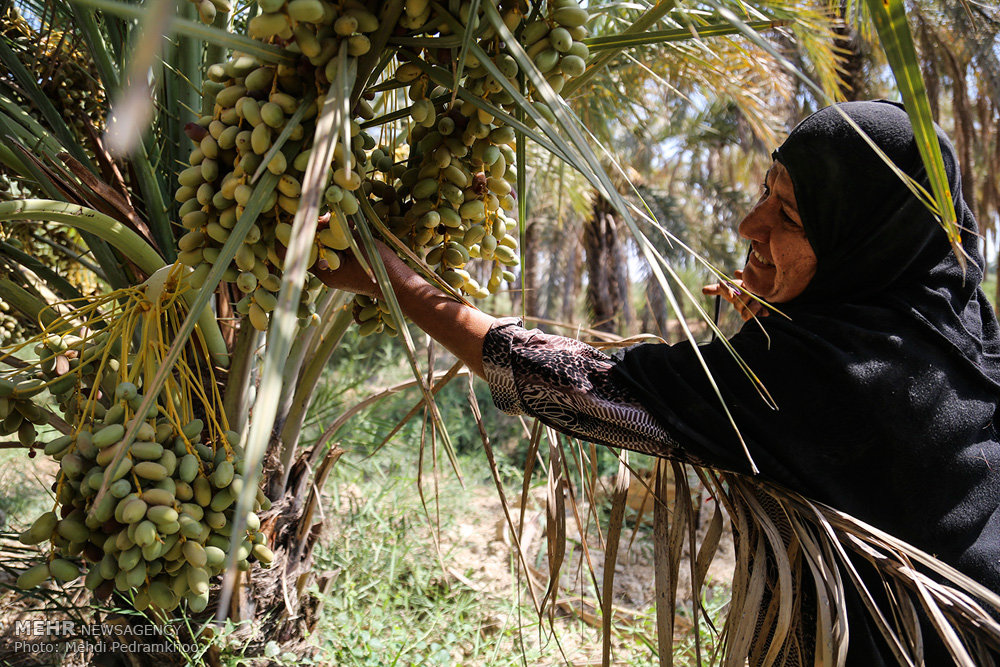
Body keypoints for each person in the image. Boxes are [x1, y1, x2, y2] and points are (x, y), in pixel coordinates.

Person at [313, 100, 1000, 665]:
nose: (748, 223)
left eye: (789, 216)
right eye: (766, 191)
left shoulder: (837, 371)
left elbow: (591, 389)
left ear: (865, 238)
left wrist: (391, 279)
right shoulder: (954, 313)